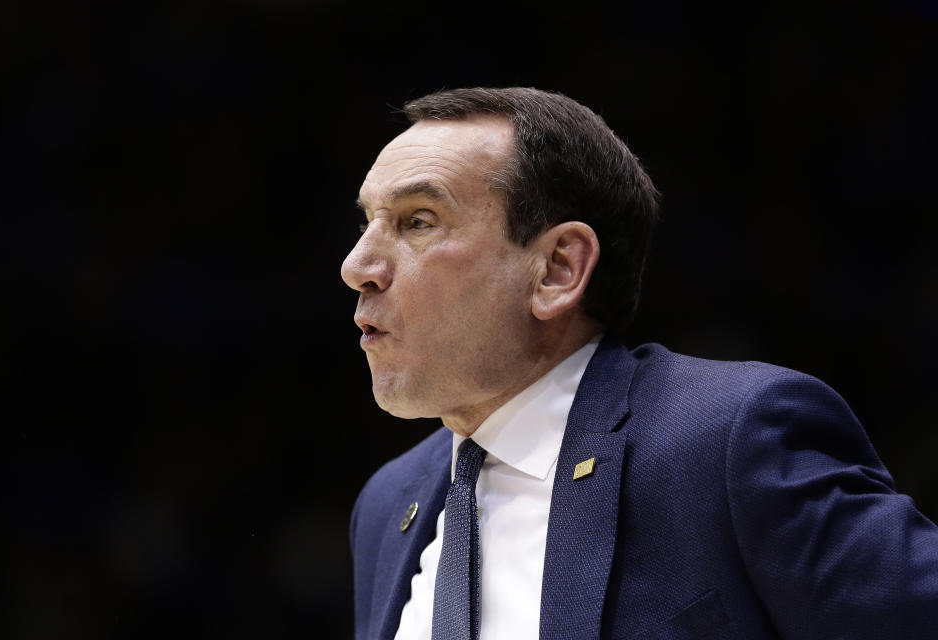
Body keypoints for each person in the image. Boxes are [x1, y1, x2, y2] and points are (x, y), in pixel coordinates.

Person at [341, 87, 938, 640]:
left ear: (557, 270)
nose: (356, 265)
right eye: (366, 223)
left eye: (417, 221)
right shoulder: (390, 501)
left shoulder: (727, 440)